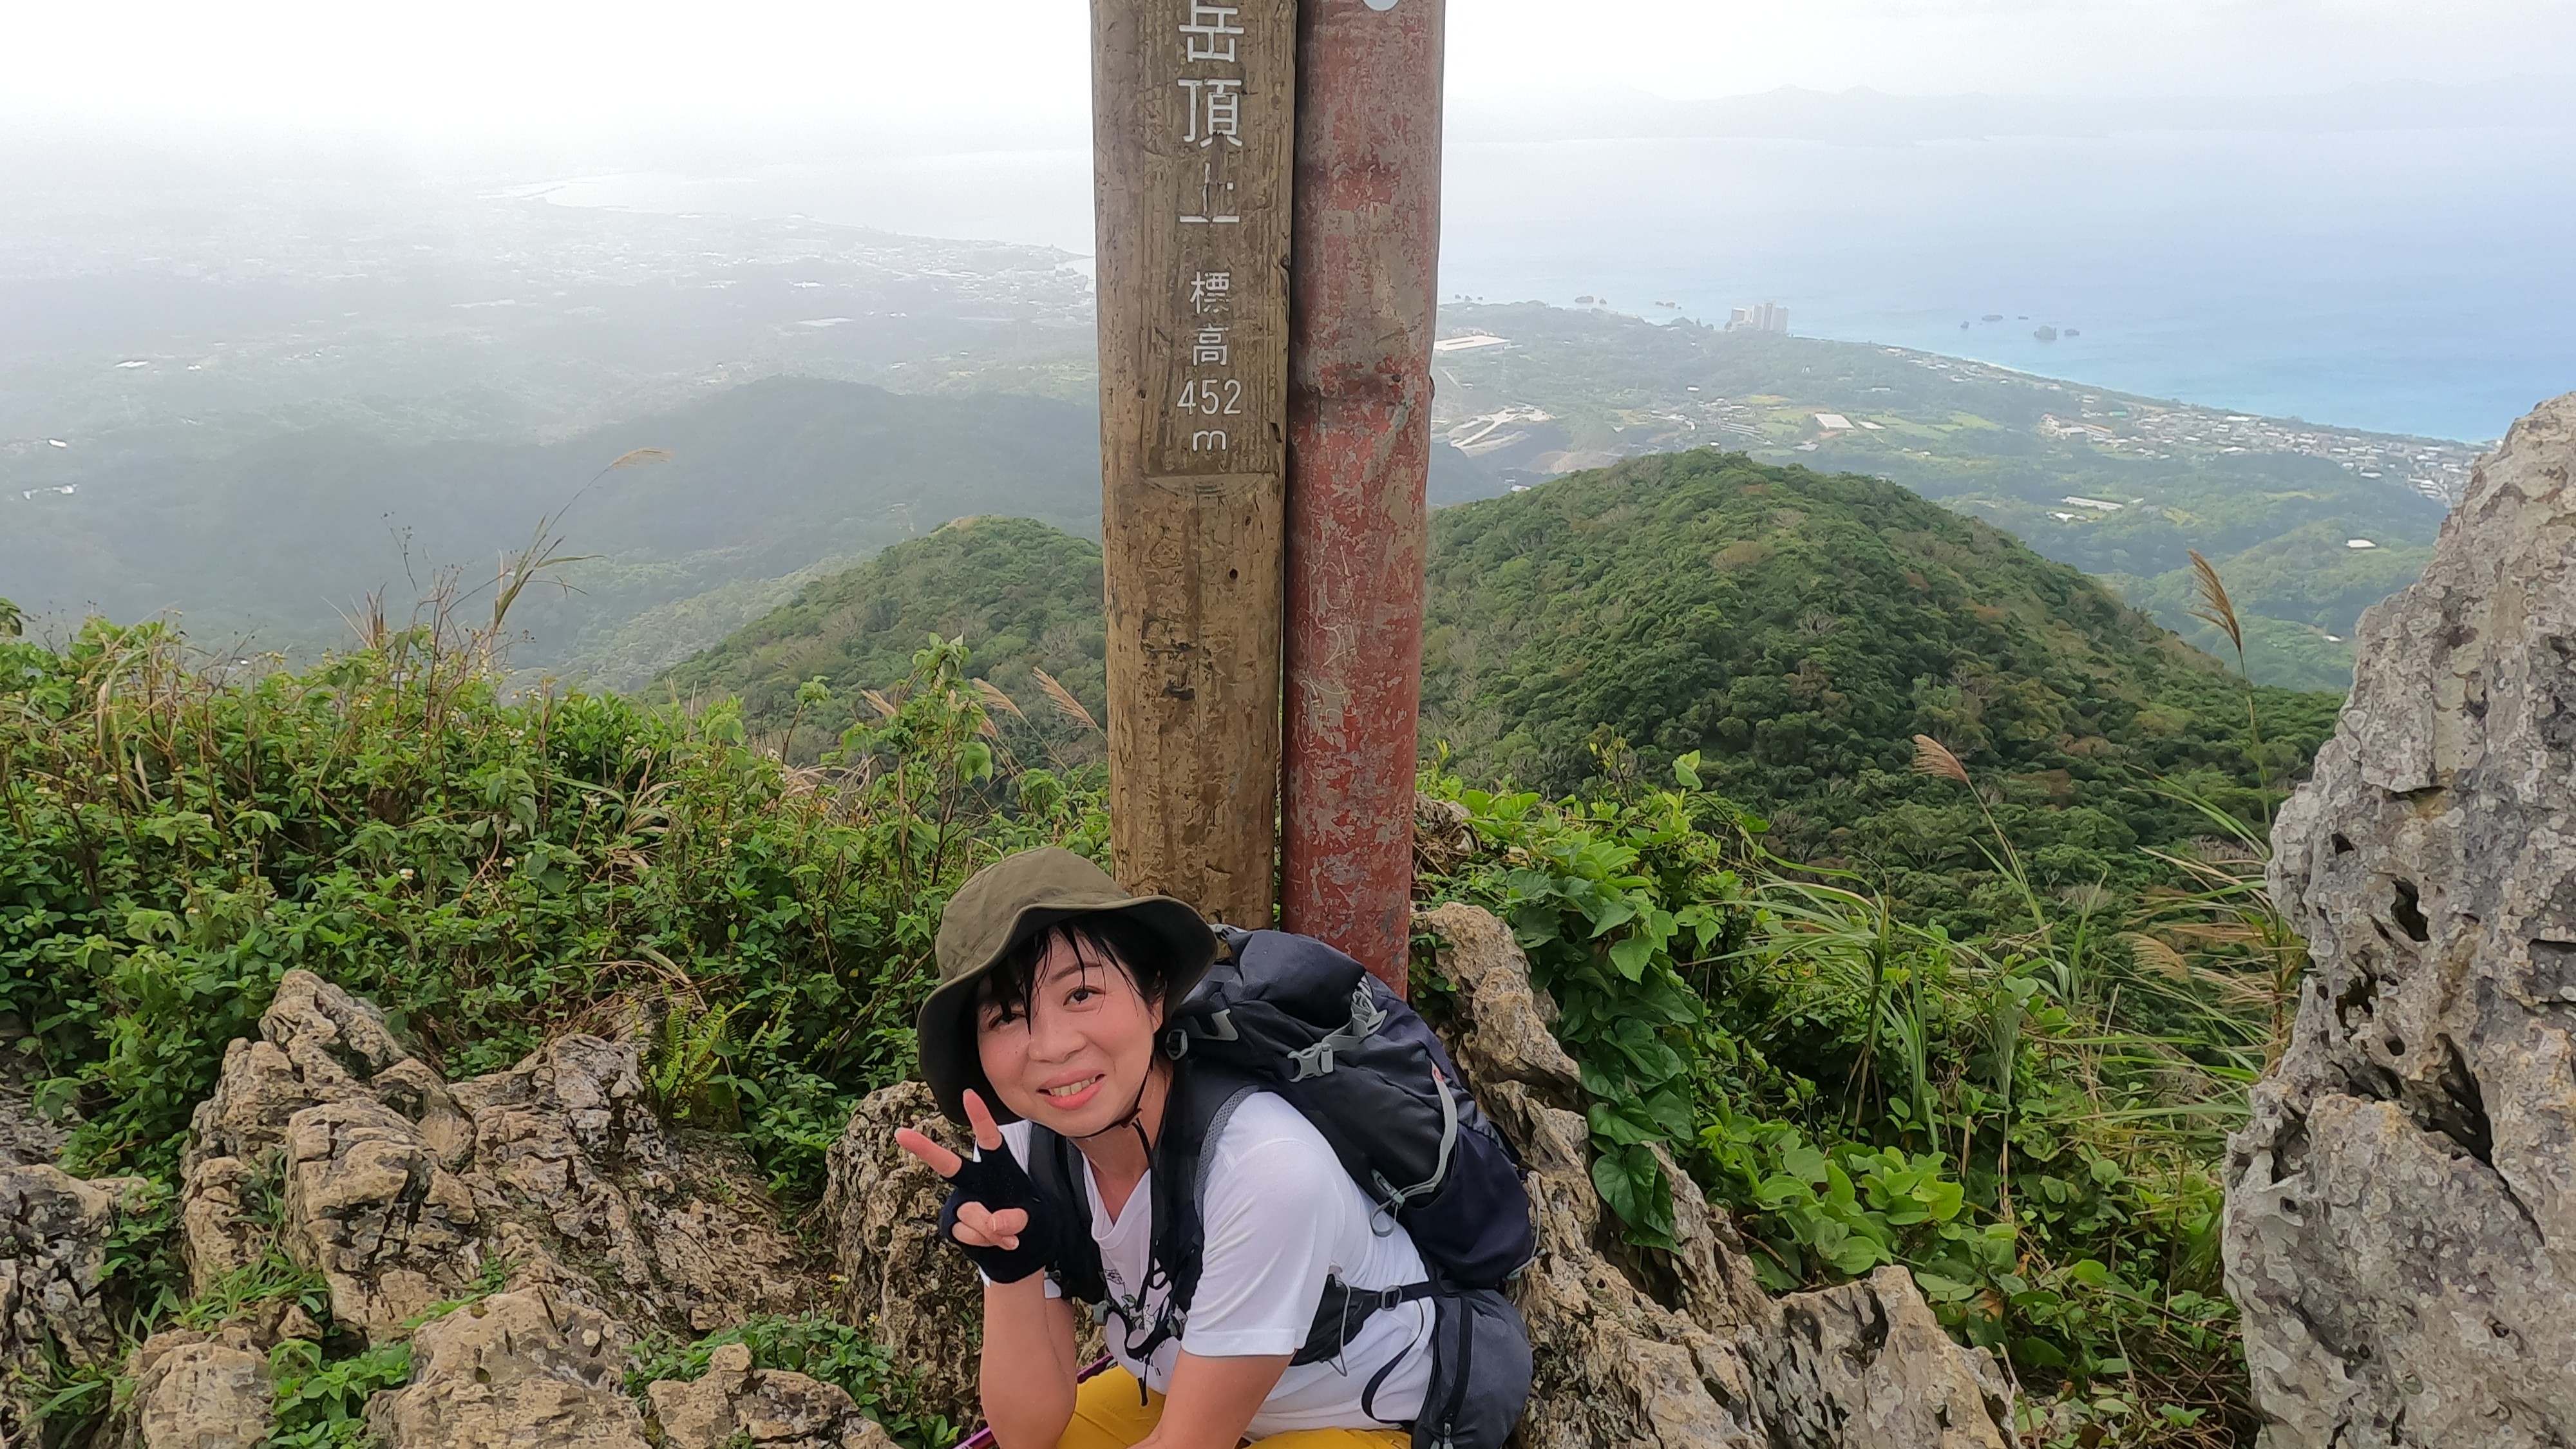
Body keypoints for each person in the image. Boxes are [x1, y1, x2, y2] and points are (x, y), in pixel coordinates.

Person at [895, 848, 1436, 1449]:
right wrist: (1013, 1269)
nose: (1050, 1047)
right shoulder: (1020, 1147)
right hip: (1185, 1392)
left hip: (1348, 1417)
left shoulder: (1263, 1168)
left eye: (1080, 995)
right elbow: (1027, 1432)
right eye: (1007, 1015)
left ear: (1154, 999)